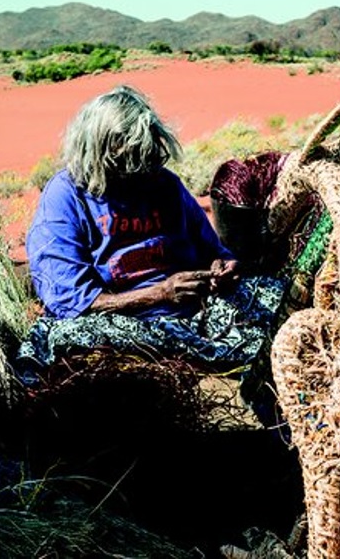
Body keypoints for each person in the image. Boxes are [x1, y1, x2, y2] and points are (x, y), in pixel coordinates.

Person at [15, 85, 285, 385]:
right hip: (123, 322)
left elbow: (213, 250)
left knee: (275, 296)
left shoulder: (164, 184)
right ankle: (202, 353)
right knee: (66, 337)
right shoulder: (66, 196)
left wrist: (223, 266)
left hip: (193, 315)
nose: (141, 176)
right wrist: (159, 294)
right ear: (101, 157)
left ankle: (201, 350)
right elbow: (70, 302)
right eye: (128, 165)